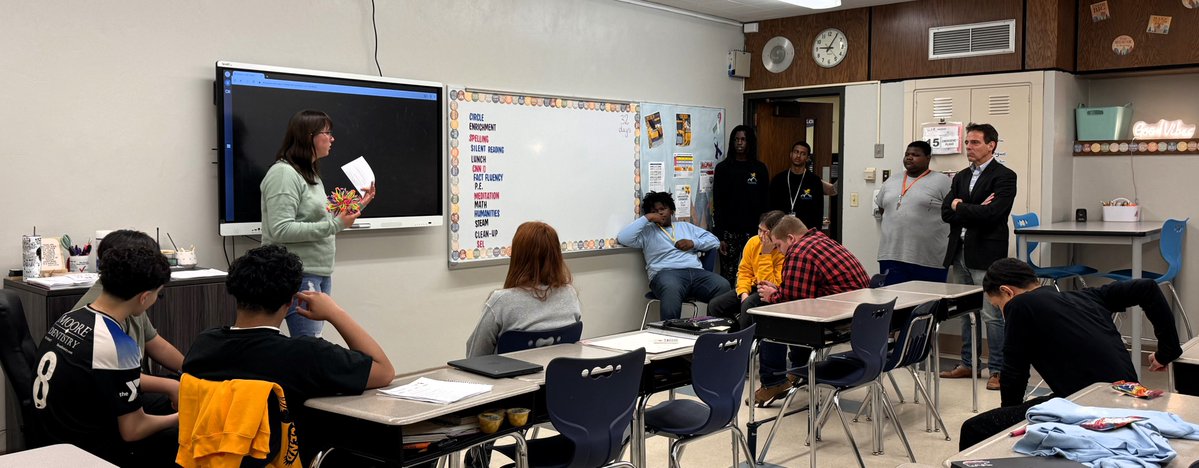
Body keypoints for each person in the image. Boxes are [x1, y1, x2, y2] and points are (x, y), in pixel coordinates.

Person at [182, 244, 396, 463]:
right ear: (291, 301)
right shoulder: (304, 355)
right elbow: (384, 371)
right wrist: (334, 313)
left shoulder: (203, 344)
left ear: (234, 293)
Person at [958, 258, 1182, 449]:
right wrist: (1167, 351)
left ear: (1007, 291)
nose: (1001, 312)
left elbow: (1014, 372)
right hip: (1130, 398)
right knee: (1042, 403)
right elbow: (1147, 288)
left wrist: (1009, 420)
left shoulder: (1019, 305)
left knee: (974, 429)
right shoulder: (1085, 297)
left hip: (1092, 409)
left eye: (998, 306)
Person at [34, 245, 178, 466]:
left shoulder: (70, 318)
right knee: (186, 437)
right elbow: (133, 430)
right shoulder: (117, 343)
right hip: (88, 450)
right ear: (145, 297)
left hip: (51, 434)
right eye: (158, 294)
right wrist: (183, 418)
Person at [260, 109, 377, 338]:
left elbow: (323, 221)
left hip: (318, 272)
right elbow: (281, 229)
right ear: (309, 136)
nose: (332, 138)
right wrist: (335, 225)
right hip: (297, 274)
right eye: (327, 133)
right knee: (309, 347)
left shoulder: (309, 173)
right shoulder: (284, 174)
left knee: (311, 344)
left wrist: (360, 205)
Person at [754, 215, 870, 405]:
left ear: (791, 238)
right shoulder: (821, 240)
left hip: (838, 322)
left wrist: (771, 296)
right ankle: (800, 369)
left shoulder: (800, 251)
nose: (780, 252)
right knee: (787, 311)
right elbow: (805, 290)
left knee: (770, 315)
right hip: (858, 315)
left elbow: (795, 300)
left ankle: (773, 382)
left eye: (778, 246)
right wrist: (778, 291)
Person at [939, 122, 1017, 391]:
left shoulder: (1004, 176)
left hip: (986, 252)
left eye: (974, 143)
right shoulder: (960, 176)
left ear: (991, 145)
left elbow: (994, 214)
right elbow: (945, 213)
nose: (969, 148)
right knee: (964, 313)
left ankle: (998, 370)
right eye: (967, 143)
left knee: (991, 314)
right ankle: (968, 363)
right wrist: (968, 208)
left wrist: (961, 205)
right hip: (959, 252)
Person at [73, 229, 184, 415]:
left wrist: (192, 371)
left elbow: (156, 343)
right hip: (108, 399)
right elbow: (131, 428)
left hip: (127, 385)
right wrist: (172, 388)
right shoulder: (103, 319)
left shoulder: (129, 298)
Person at [465, 221, 582, 357]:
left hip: (508, 377)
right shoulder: (569, 294)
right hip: (557, 377)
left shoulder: (502, 301)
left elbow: (474, 355)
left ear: (518, 257)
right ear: (557, 255)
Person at [618, 191, 730, 321]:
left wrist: (693, 243)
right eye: (654, 211)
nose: (659, 213)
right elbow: (623, 238)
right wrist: (647, 218)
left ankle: (714, 327)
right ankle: (671, 332)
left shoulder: (685, 227)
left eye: (663, 209)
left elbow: (714, 241)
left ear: (671, 210)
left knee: (723, 285)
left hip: (695, 272)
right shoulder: (647, 232)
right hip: (666, 274)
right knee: (671, 288)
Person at [874, 141, 951, 284]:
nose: (909, 158)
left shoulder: (942, 181)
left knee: (927, 304)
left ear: (928, 158)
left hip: (929, 259)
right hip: (891, 256)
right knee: (894, 302)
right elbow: (882, 208)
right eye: (907, 154)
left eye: (915, 155)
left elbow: (953, 213)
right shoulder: (891, 180)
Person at [707, 210, 786, 330]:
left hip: (771, 290)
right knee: (715, 305)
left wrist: (766, 254)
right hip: (751, 286)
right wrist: (743, 292)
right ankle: (734, 336)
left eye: (765, 232)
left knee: (749, 305)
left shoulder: (782, 248)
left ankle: (745, 342)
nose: (761, 235)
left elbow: (772, 284)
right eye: (759, 230)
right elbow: (744, 271)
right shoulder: (753, 242)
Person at [712, 125, 770, 286]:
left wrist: (765, 232)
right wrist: (720, 235)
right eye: (736, 139)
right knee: (728, 275)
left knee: (754, 273)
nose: (739, 143)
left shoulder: (759, 168)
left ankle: (748, 309)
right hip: (729, 232)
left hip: (753, 232)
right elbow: (718, 203)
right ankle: (726, 310)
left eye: (743, 139)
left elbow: (765, 203)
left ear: (749, 142)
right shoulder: (723, 168)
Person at [768, 141, 837, 233]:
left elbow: (818, 212)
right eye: (796, 152)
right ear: (791, 154)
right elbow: (771, 207)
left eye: (803, 154)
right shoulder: (778, 179)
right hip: (781, 232)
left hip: (805, 234)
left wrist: (814, 234)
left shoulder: (815, 181)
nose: (798, 156)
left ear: (807, 158)